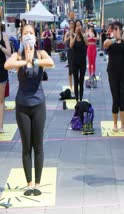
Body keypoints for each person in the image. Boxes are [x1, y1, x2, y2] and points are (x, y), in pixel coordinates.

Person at [4, 24, 54, 196]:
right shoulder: (17, 55)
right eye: (25, 33)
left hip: (38, 104)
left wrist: (35, 61)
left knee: (38, 145)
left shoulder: (41, 53)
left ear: (35, 36)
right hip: (22, 105)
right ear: (21, 37)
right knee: (26, 146)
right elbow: (7, 65)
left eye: (31, 33)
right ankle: (29, 183)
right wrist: (25, 61)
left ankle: (38, 184)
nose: (28, 35)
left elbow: (51, 62)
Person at [104, 21, 124, 132]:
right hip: (112, 72)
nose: (115, 30)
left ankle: (122, 124)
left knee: (122, 98)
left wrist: (121, 37)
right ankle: (115, 124)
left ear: (121, 29)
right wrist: (114, 38)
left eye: (117, 28)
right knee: (115, 98)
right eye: (114, 29)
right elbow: (105, 44)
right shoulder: (110, 41)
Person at [70, 20, 88, 102]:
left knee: (81, 81)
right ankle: (77, 100)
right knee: (76, 81)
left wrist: (83, 35)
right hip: (75, 61)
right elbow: (71, 45)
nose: (78, 27)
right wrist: (75, 35)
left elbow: (87, 44)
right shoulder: (73, 35)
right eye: (76, 26)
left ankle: (81, 99)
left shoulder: (84, 35)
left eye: (79, 25)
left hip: (83, 62)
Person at [0, 24, 12, 133]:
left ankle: (1, 126)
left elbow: (9, 53)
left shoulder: (4, 36)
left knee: (1, 99)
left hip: (1, 70)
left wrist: (1, 47)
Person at [64, 20, 76, 90]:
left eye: (72, 24)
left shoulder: (76, 33)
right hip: (69, 51)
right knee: (70, 70)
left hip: (75, 51)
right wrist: (70, 35)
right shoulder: (67, 33)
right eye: (70, 24)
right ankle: (70, 86)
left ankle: (75, 85)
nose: (71, 25)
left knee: (75, 69)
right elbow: (64, 41)